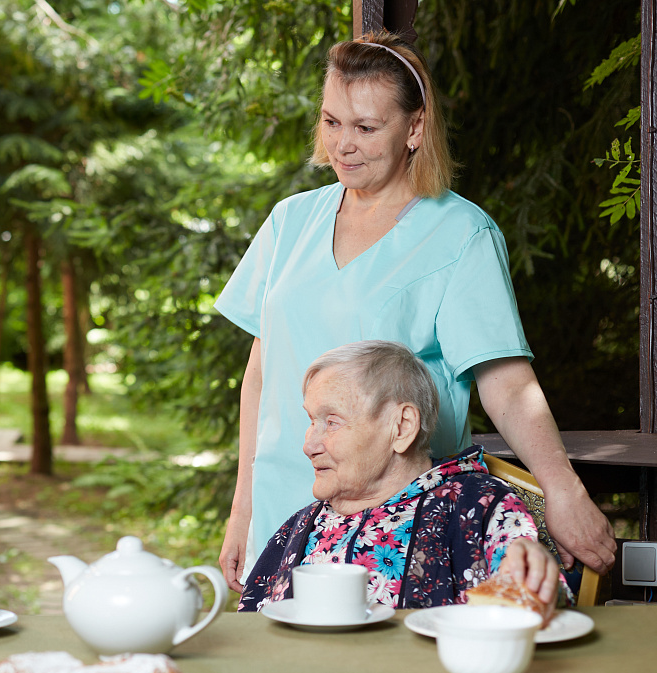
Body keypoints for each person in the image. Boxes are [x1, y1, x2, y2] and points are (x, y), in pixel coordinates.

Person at [214, 31, 614, 594]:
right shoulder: (289, 221)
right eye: (331, 122)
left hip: (400, 525)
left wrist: (563, 491)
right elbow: (261, 373)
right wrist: (243, 510)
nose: (342, 145)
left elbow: (505, 383)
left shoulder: (461, 235)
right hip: (284, 511)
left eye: (366, 127)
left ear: (415, 129)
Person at [239, 341, 564, 613]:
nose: (308, 445)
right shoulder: (299, 527)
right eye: (312, 421)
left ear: (402, 426)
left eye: (332, 422)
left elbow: (536, 601)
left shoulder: (477, 506)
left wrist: (532, 571)